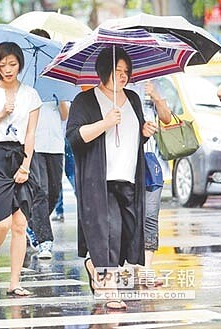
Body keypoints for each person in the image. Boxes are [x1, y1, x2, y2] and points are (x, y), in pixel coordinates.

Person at [67, 47, 156, 309]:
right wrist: (105, 123)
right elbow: (74, 138)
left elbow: (133, 137)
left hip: (129, 178)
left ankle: (94, 265)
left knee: (127, 233)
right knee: (109, 232)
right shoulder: (85, 101)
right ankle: (110, 289)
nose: (123, 76)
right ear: (103, 71)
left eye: (126, 72)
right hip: (99, 180)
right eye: (117, 71)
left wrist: (145, 132)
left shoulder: (133, 99)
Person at [0, 42, 41, 296]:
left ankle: (15, 282)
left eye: (12, 64)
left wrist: (26, 164)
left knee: (19, 225)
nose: (7, 69)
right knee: (1, 223)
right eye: (2, 65)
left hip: (21, 156)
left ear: (19, 64)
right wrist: (2, 113)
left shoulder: (31, 95)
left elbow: (32, 133)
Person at [27, 28, 69, 260]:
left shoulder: (57, 75)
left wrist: (60, 94)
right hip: (33, 142)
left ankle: (31, 224)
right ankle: (45, 240)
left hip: (55, 143)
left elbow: (64, 115)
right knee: (40, 191)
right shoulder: (24, 77)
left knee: (53, 192)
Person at [138, 80, 171, 284]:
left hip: (153, 161)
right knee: (128, 217)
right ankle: (127, 265)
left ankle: (146, 268)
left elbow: (166, 118)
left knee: (150, 214)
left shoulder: (155, 83)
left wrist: (156, 96)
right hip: (125, 161)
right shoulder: (115, 85)